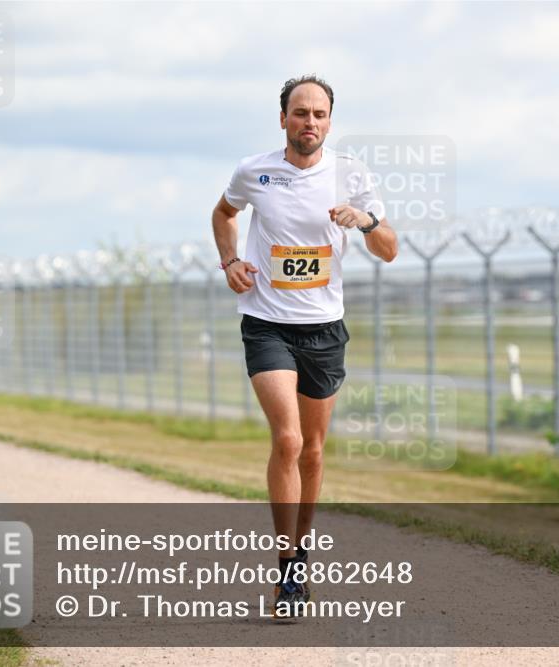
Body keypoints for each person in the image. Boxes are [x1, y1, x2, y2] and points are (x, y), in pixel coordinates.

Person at [211, 75, 397, 616]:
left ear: (330, 121)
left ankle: (302, 547)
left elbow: (388, 250)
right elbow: (224, 213)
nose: (308, 122)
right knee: (288, 440)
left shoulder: (351, 174)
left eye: (318, 113)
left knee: (313, 451)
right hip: (266, 323)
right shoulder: (255, 170)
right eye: (299, 112)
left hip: (323, 329)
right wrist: (230, 262)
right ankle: (287, 569)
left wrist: (365, 220)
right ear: (283, 118)